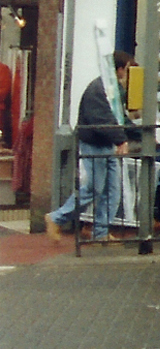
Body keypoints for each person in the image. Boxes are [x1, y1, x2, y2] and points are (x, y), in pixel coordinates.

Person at [46, 51, 137, 243]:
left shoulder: (111, 89)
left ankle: (101, 232)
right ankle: (57, 217)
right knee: (95, 187)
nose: (129, 75)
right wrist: (121, 139)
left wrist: (138, 132)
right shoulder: (100, 89)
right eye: (128, 70)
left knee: (112, 190)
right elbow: (103, 118)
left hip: (104, 143)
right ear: (120, 69)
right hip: (94, 144)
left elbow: (117, 118)